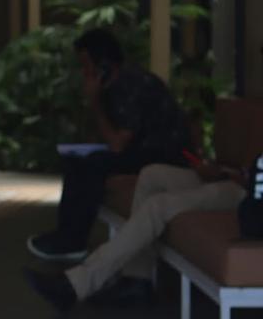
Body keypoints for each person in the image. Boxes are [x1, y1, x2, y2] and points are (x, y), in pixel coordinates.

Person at [26, 34, 263, 310]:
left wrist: (239, 176)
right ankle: (138, 280)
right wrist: (225, 170)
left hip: (250, 194)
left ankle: (76, 284)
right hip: (241, 180)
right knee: (152, 175)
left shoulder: (132, 85)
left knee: (158, 206)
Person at [27, 28, 191, 262]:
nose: (84, 73)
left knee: (94, 164)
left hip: (166, 155)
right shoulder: (112, 88)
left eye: (87, 67)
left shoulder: (131, 84)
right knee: (77, 161)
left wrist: (94, 102)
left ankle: (73, 240)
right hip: (141, 150)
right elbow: (101, 137)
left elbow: (116, 146)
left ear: (103, 66)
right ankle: (66, 237)